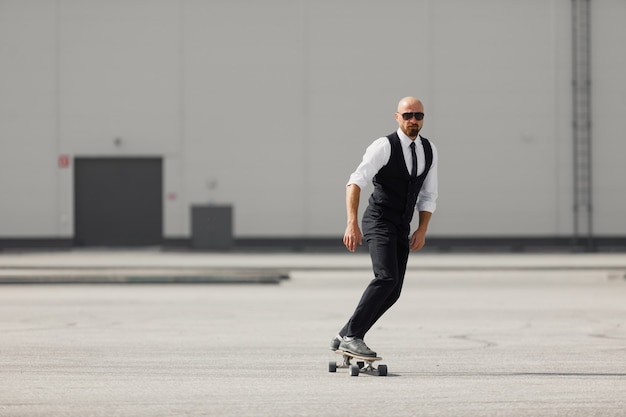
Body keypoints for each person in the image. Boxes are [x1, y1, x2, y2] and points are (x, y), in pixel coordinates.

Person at [330, 96, 438, 358]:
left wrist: (422, 229)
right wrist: (351, 223)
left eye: (419, 116)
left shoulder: (429, 149)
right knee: (386, 277)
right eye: (408, 115)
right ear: (397, 117)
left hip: (402, 225)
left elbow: (428, 195)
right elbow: (355, 182)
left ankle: (344, 334)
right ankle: (353, 336)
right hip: (378, 220)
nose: (414, 120)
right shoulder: (384, 146)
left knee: (394, 290)